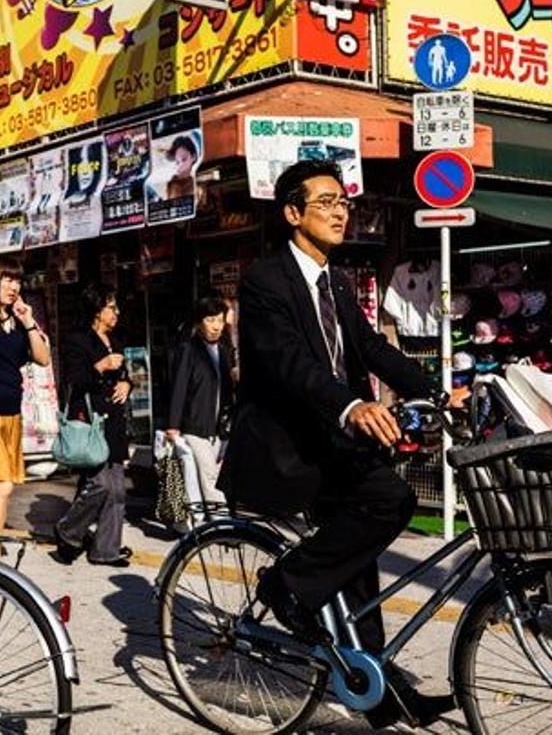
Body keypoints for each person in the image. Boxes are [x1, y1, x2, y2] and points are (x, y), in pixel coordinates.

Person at [218, 160, 467, 729]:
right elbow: (291, 364)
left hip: (333, 442)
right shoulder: (266, 281)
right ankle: (287, 584)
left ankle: (374, 688)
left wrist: (435, 390)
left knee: (359, 566)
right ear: (292, 213)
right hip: (290, 444)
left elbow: (371, 351)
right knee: (391, 500)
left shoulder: (337, 281)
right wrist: (352, 406)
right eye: (326, 202)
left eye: (343, 203)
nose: (339, 212)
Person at [0, 256, 51, 559]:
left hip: (11, 416)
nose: (13, 286)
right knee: (2, 485)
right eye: (7, 279)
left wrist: (29, 321)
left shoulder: (18, 322)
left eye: (17, 280)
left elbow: (43, 358)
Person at [52, 282, 133, 568]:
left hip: (114, 418)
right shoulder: (78, 340)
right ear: (98, 310)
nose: (117, 313)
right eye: (112, 307)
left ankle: (106, 550)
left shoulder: (116, 339)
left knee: (118, 490)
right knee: (99, 484)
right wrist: (101, 366)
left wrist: (126, 382)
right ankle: (68, 530)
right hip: (91, 420)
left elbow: (125, 373)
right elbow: (74, 379)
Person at [165, 295, 235, 521]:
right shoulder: (189, 349)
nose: (216, 326)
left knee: (209, 476)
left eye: (220, 320)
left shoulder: (223, 351)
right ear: (199, 322)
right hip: (194, 425)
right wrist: (173, 425)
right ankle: (223, 525)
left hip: (217, 428)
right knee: (210, 478)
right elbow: (179, 387)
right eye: (210, 319)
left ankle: (203, 521)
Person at [164, 135, 198, 200]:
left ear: (193, 157)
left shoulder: (194, 187)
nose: (180, 166)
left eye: (184, 159)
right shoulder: (173, 182)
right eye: (177, 162)